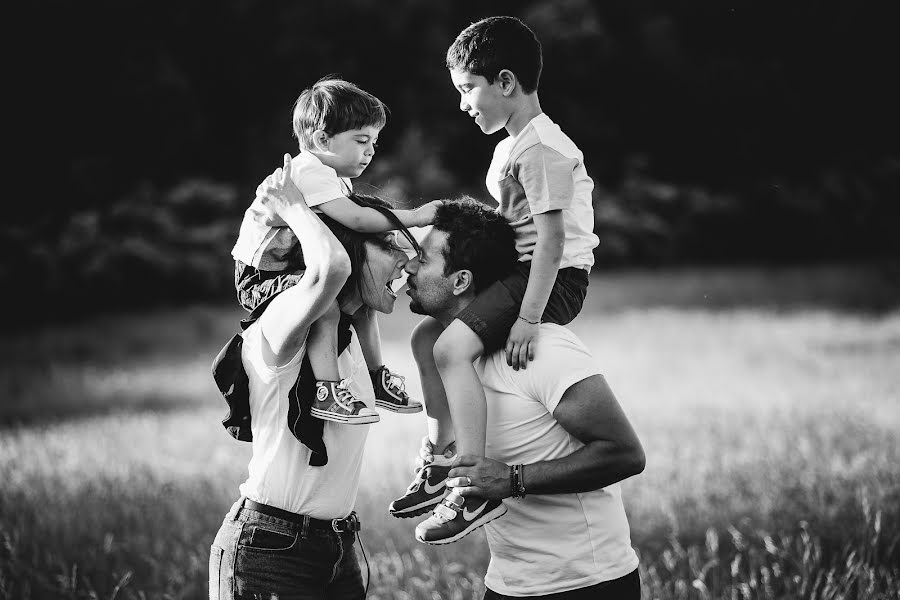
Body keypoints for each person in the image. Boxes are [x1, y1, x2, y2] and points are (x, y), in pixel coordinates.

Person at [390, 16, 601, 544]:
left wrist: (529, 318)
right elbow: (509, 222)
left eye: (468, 90)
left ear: (505, 83)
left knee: (451, 351)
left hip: (551, 280)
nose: (463, 103)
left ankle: (473, 482)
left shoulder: (541, 149)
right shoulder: (513, 145)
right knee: (425, 336)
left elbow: (550, 241)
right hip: (521, 271)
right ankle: (439, 458)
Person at [402, 199, 645, 598]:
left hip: (588, 584)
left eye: (423, 260)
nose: (410, 267)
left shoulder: (542, 349)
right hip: (507, 584)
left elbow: (624, 453)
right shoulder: (448, 357)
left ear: (460, 281)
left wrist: (513, 480)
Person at [210, 156, 415, 598]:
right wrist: (296, 208)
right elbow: (331, 271)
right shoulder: (283, 322)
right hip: (269, 552)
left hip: (337, 546)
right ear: (350, 246)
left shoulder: (353, 334)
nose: (406, 263)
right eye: (391, 249)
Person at [232, 77, 438, 424]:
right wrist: (415, 217)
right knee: (323, 306)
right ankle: (327, 390)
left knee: (364, 304)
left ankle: (377, 376)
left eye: (374, 141)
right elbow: (356, 220)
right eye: (361, 140)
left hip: (293, 265)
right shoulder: (310, 171)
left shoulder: (334, 177)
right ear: (321, 139)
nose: (371, 150)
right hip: (261, 274)